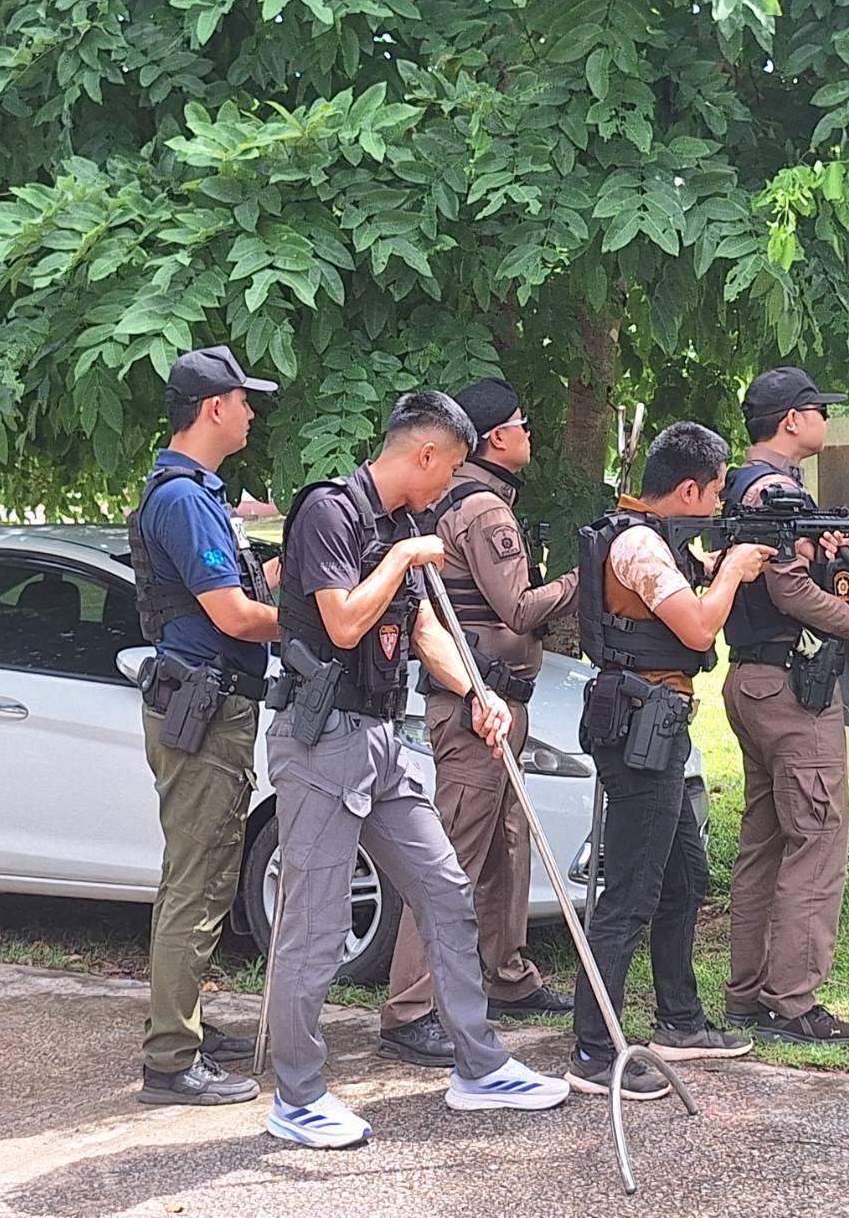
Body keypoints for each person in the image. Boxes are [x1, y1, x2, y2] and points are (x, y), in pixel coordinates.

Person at [264, 391, 568, 1149]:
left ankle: (480, 1068)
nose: (451, 484)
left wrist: (476, 692)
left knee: (445, 889)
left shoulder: (405, 524)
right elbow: (342, 622)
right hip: (320, 743)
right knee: (316, 924)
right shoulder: (330, 513)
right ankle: (298, 1098)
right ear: (425, 454)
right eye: (451, 468)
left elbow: (424, 627)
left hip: (380, 739)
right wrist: (402, 557)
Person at [568, 421, 775, 1100]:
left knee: (684, 878)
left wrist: (730, 564)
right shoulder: (639, 545)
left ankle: (680, 1022)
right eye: (714, 492)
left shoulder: (653, 540)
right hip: (641, 730)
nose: (717, 504)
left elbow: (675, 602)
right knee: (630, 893)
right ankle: (594, 1050)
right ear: (688, 490)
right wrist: (733, 571)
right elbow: (698, 626)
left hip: (653, 725)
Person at [380, 379, 579, 1066]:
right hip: (476, 709)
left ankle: (506, 974)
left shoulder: (451, 499)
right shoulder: (484, 508)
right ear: (498, 437)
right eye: (524, 422)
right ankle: (411, 1010)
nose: (531, 434)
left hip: (487, 702)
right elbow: (518, 608)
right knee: (452, 860)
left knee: (504, 847)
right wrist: (586, 577)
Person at [130, 346, 280, 1106]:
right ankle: (170, 1061)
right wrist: (319, 620)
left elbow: (235, 588)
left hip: (204, 702)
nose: (251, 413)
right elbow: (234, 616)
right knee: (198, 879)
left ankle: (179, 1021)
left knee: (196, 875)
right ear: (215, 407)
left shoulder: (197, 495)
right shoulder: (186, 499)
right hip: (205, 709)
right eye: (244, 401)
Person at [721, 367, 849, 1046]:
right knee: (819, 837)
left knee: (766, 842)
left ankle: (749, 995)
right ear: (791, 420)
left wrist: (819, 549)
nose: (825, 422)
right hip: (790, 688)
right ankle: (793, 1002)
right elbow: (788, 591)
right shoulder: (776, 489)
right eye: (819, 410)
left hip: (754, 680)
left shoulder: (743, 483)